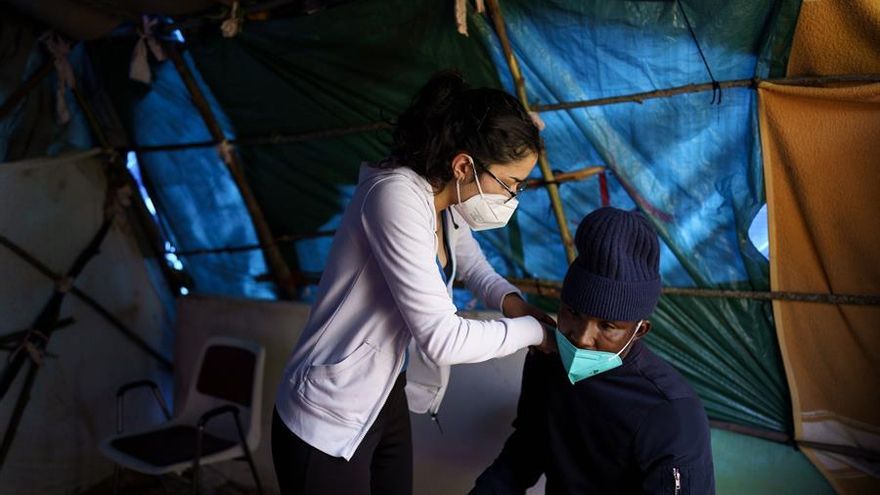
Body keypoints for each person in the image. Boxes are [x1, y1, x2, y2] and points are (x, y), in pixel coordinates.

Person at [271, 70, 557, 495]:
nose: (511, 199)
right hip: (327, 412)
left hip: (382, 394)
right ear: (464, 165)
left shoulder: (442, 199)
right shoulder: (396, 197)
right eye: (510, 184)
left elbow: (473, 264)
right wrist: (535, 332)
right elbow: (442, 338)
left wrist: (518, 305)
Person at [471, 207, 715, 494]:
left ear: (639, 330)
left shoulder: (671, 412)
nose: (582, 338)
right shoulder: (547, 361)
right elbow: (526, 450)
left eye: (607, 326)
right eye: (573, 313)